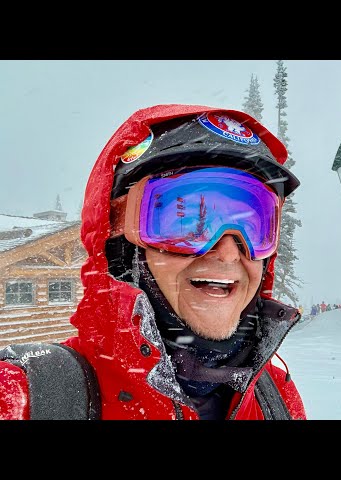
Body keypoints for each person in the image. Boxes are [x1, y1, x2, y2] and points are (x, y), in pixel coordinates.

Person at [0, 104, 307, 420]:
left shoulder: (275, 396)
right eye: (187, 221)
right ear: (120, 242)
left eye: (254, 225)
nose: (229, 253)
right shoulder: (29, 396)